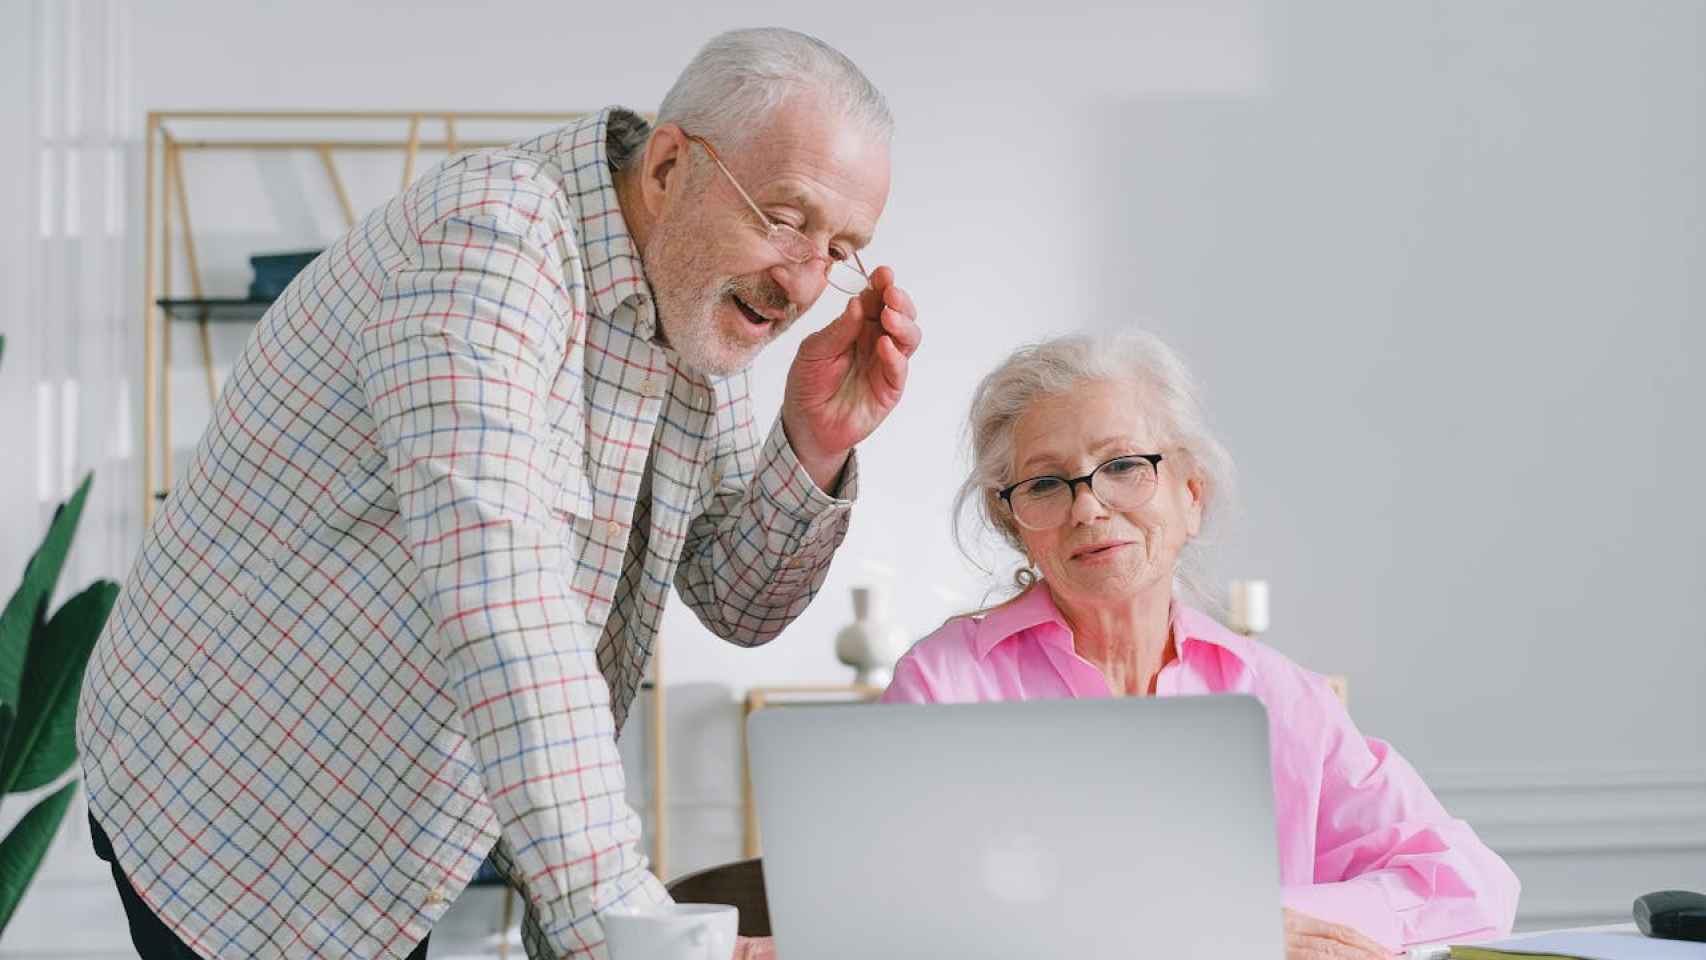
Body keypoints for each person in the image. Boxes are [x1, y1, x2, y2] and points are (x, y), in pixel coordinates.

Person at [79, 27, 918, 960]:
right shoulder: (489, 245)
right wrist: (644, 939)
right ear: (672, 164)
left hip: (397, 819)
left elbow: (734, 600)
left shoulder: (694, 297)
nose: (806, 280)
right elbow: (506, 606)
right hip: (238, 802)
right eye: (786, 218)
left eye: (840, 246)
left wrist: (813, 443)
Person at [883, 332, 1517, 959]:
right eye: (1046, 483)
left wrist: (1265, 926)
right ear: (1017, 526)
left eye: (1124, 466)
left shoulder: (1281, 695)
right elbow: (900, 921)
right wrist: (1205, 933)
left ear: (1191, 494)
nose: (1088, 508)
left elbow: (1472, 888)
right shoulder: (945, 684)